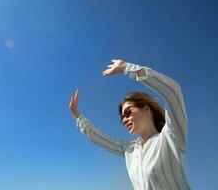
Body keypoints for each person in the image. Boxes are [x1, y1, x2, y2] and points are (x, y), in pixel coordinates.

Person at [69, 59, 191, 190]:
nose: (124, 120)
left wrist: (126, 68)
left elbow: (174, 92)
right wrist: (76, 115)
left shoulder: (170, 136)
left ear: (146, 110)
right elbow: (101, 140)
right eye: (122, 117)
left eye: (128, 112)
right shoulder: (130, 149)